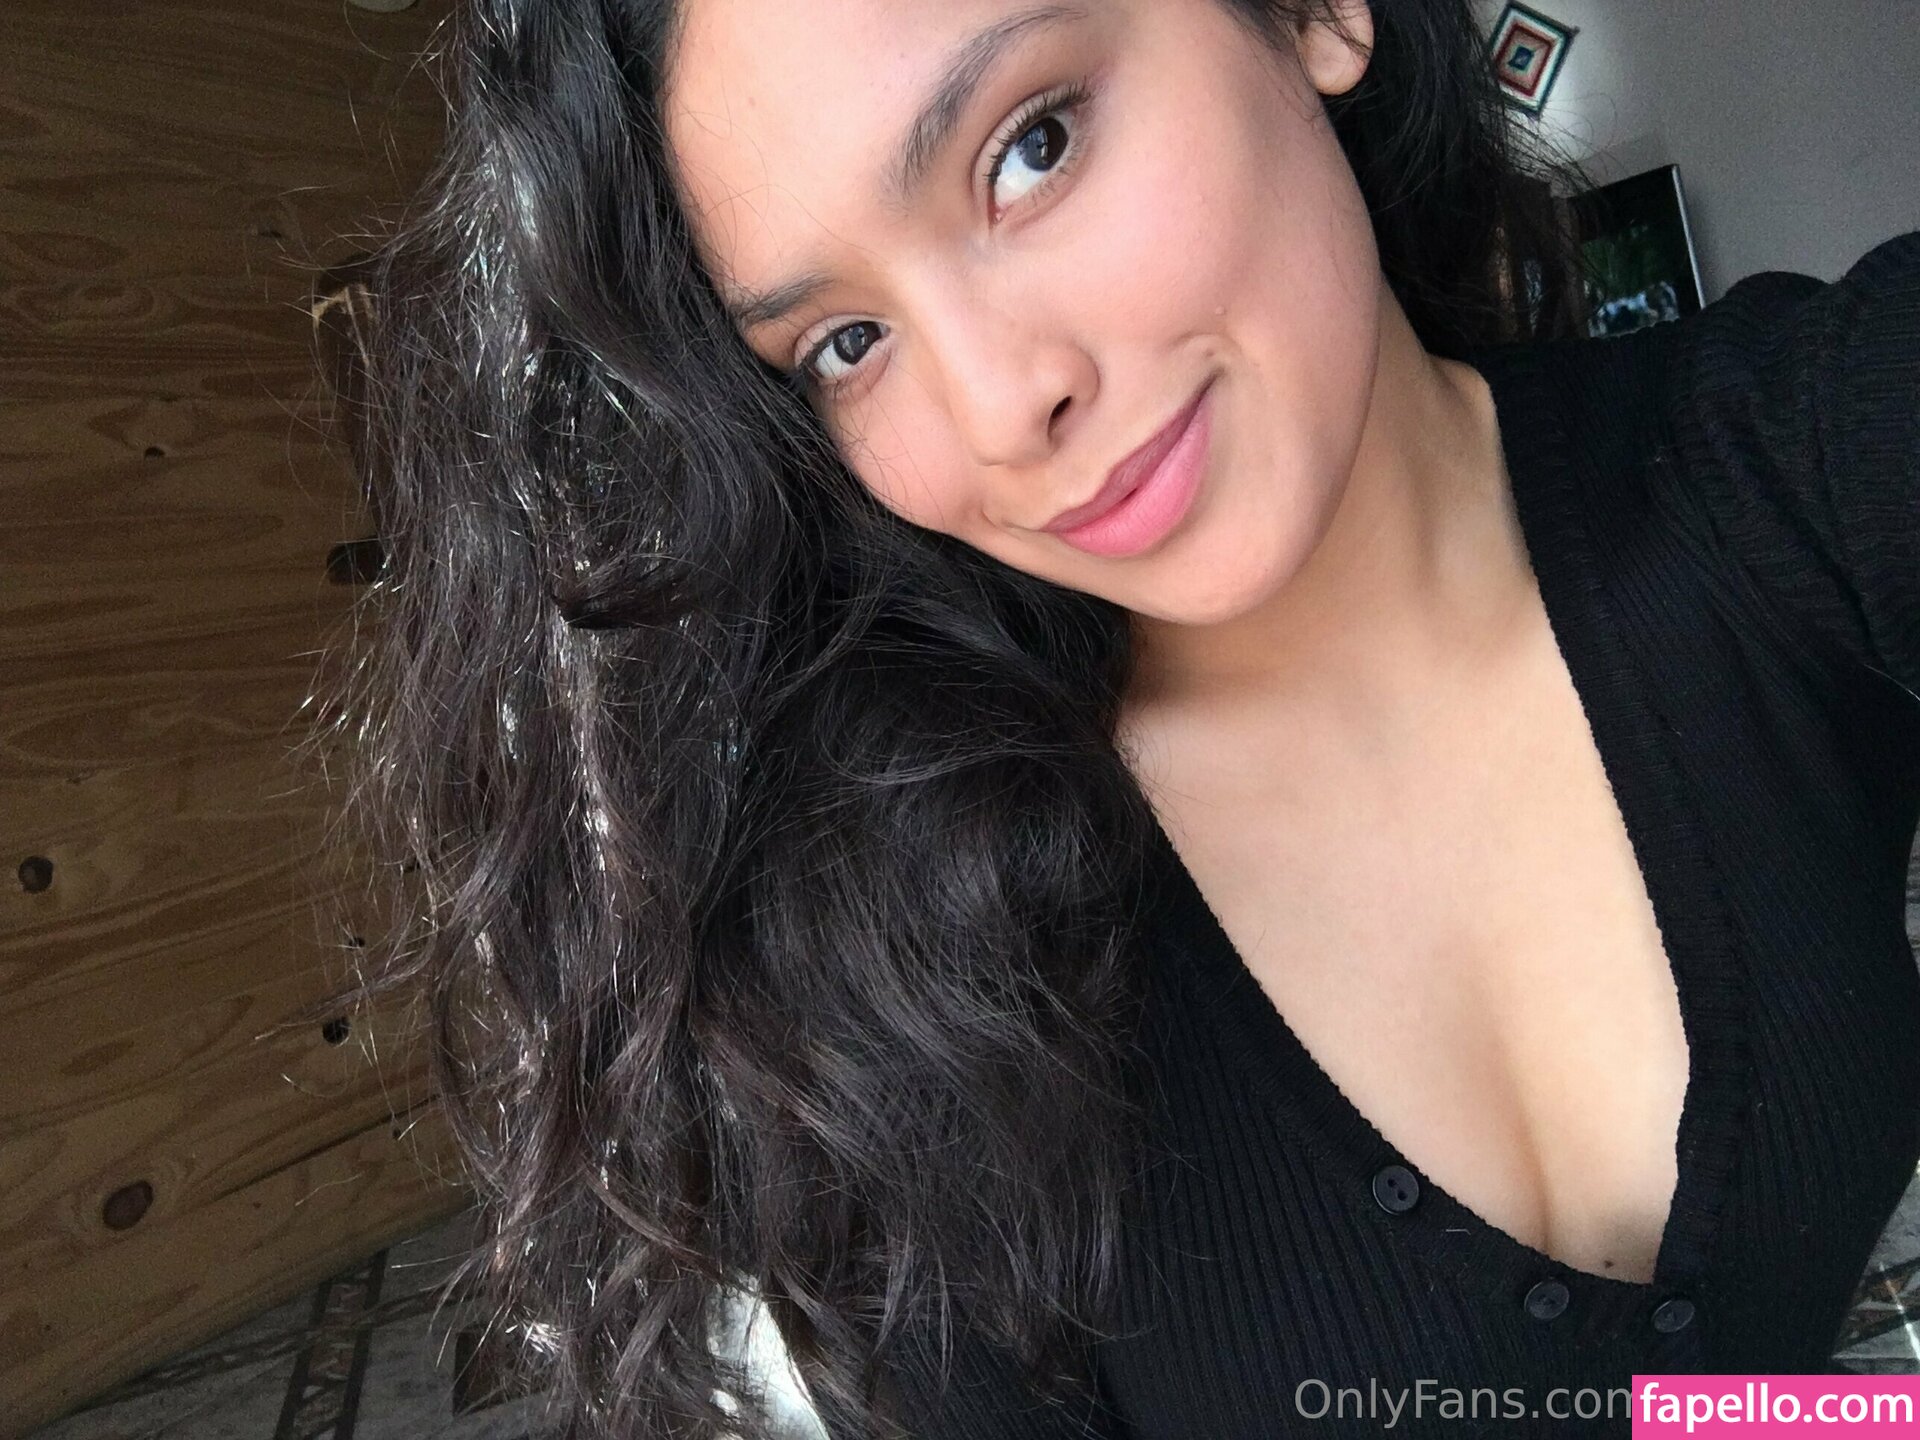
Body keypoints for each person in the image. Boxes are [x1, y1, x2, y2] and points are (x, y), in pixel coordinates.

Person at [315, 0, 1920, 1435]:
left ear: (1314, 15)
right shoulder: (906, 979)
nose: (1002, 405)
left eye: (1031, 147)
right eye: (845, 345)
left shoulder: (1792, 466)